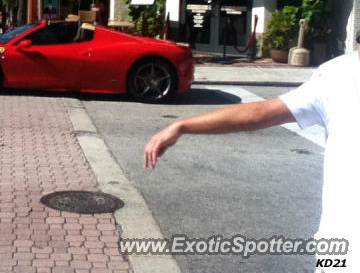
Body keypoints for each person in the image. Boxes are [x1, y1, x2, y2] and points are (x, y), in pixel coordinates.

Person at [144, 30, 360, 272]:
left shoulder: (340, 74)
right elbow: (257, 114)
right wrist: (182, 126)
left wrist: (181, 127)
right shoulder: (339, 75)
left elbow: (258, 114)